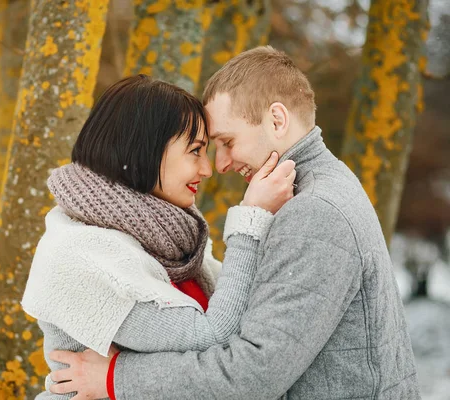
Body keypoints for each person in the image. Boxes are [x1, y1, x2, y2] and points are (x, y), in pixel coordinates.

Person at [47, 46, 421, 399]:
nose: (220, 165)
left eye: (227, 141)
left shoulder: (312, 211)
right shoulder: (320, 188)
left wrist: (115, 378)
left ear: (276, 119)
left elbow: (252, 371)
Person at [21, 74, 296, 399]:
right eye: (195, 151)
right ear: (143, 149)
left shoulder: (169, 241)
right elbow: (213, 336)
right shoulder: (80, 255)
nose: (207, 170)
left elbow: (246, 314)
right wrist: (251, 220)